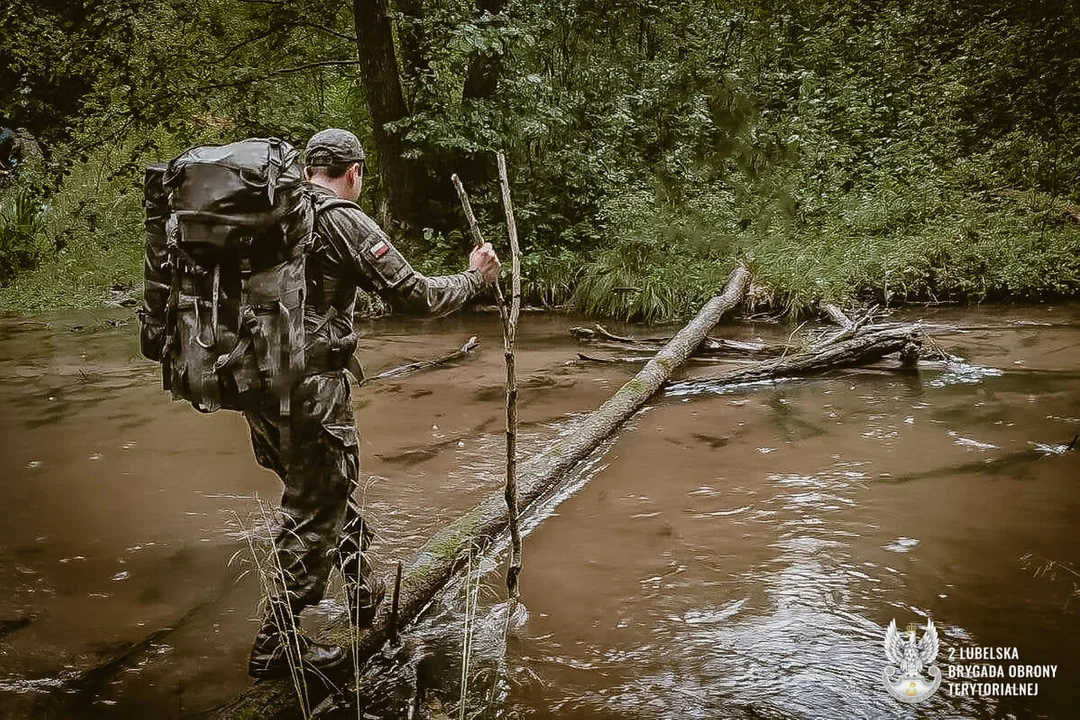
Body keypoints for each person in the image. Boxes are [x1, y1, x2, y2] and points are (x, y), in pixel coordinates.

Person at [245, 128, 501, 679]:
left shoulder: (272, 210)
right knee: (314, 506)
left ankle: (363, 591)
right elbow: (417, 297)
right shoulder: (340, 218)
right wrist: (475, 278)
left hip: (257, 383)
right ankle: (276, 645)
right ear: (354, 171)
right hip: (311, 386)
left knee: (324, 484)